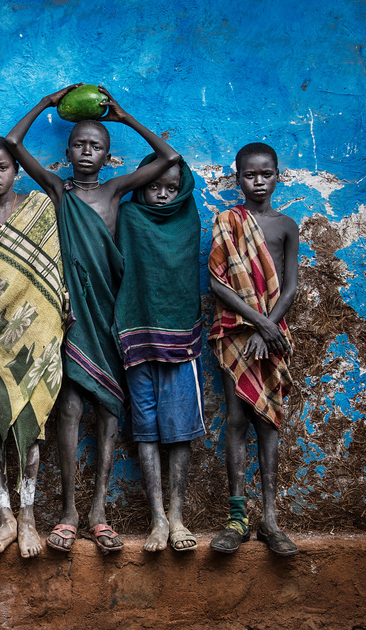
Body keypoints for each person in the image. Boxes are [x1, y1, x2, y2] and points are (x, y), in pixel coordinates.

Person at [5, 84, 179, 553]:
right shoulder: (58, 191)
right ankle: (68, 511)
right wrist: (46, 103)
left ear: (108, 156)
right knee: (70, 408)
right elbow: (13, 144)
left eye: (96, 145)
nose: (86, 151)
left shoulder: (115, 191)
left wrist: (123, 117)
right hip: (70, 315)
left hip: (110, 314)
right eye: (79, 144)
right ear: (67, 152)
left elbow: (168, 158)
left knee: (108, 409)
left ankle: (99, 510)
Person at [0, 137, 68, 558]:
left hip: (35, 337)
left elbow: (57, 266)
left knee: (30, 431)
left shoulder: (40, 207)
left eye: (2, 167)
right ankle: (5, 518)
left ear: (16, 170)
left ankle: (28, 518)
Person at [208, 142, 299, 557]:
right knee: (236, 419)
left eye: (266, 174)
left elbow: (290, 286)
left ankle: (271, 520)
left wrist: (269, 327)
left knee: (269, 421)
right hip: (238, 332)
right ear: (238, 178)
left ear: (278, 176)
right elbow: (218, 283)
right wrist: (259, 324)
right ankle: (237, 518)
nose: (258, 182)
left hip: (273, 334)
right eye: (250, 175)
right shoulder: (227, 221)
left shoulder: (286, 226)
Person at [114, 155, 205, 552]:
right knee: (145, 428)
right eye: (154, 186)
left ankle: (178, 515)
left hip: (180, 338)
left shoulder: (188, 220)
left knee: (180, 429)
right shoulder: (129, 217)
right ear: (141, 186)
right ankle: (158, 518)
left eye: (171, 188)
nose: (163, 195)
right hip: (137, 335)